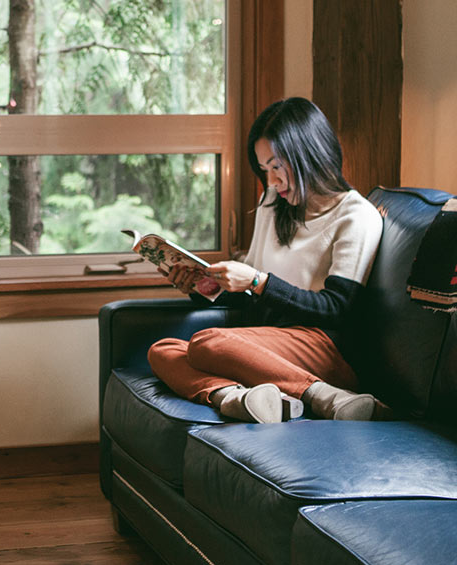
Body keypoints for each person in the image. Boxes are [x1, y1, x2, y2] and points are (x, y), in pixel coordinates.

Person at [147, 97, 387, 423]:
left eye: (276, 166)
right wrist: (201, 285)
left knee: (207, 342)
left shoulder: (357, 216)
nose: (271, 181)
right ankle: (238, 398)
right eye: (264, 170)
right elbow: (251, 296)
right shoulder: (272, 203)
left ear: (309, 154)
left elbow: (337, 309)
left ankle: (324, 394)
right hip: (270, 340)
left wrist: (258, 282)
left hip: (324, 346)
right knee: (162, 350)